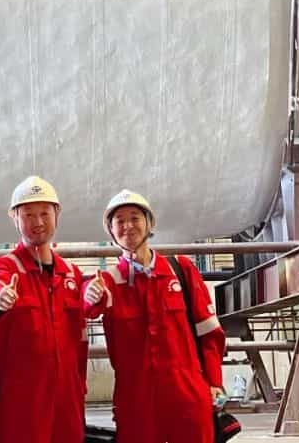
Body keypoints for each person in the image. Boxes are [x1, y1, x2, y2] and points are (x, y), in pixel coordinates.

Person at [83, 190, 227, 443]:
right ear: (111, 231)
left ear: (149, 223)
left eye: (135, 217)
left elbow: (209, 332)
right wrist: (90, 296)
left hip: (187, 392)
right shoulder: (109, 281)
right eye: (119, 221)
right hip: (136, 399)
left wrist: (214, 381)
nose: (128, 226)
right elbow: (89, 306)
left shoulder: (180, 270)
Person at [0, 176, 87, 443]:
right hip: (21, 401)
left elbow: (82, 334)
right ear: (15, 218)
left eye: (44, 213)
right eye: (28, 214)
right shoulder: (5, 268)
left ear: (57, 214)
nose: (38, 222)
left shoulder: (72, 274)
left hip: (67, 400)